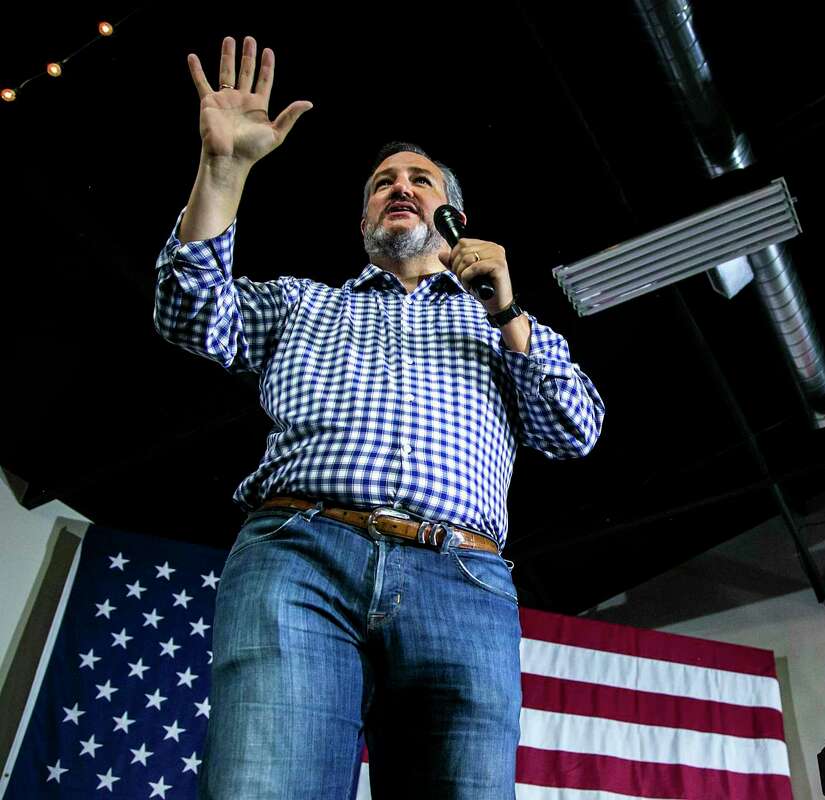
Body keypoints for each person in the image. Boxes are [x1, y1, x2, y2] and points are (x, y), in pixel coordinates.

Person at [154, 36, 605, 799]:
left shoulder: (498, 323)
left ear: (454, 213)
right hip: (298, 558)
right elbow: (188, 312)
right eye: (382, 183)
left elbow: (574, 430)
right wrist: (223, 170)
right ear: (365, 215)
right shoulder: (304, 301)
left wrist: (510, 313)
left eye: (421, 180)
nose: (400, 187)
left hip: (461, 577)